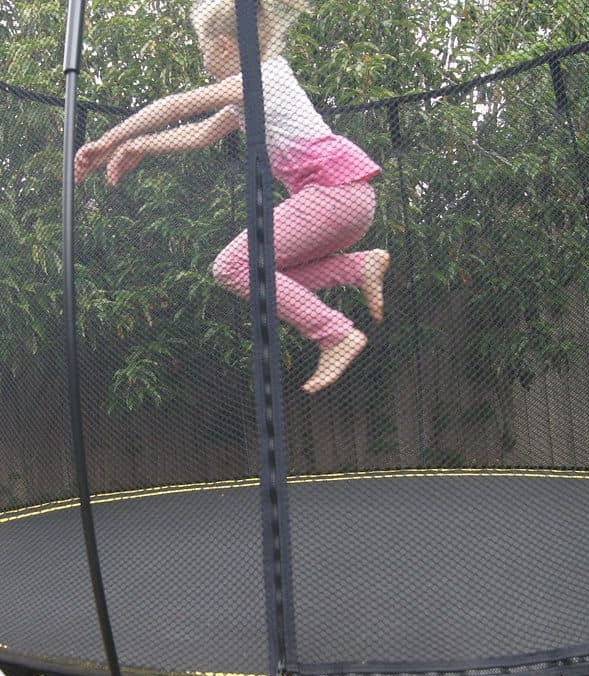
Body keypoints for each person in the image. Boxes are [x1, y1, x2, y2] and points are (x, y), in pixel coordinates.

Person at [75, 0, 389, 393]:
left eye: (204, 51)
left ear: (224, 46)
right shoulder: (254, 91)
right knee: (266, 276)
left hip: (333, 194)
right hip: (347, 200)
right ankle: (358, 269)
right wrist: (139, 145)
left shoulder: (260, 78)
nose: (204, 63)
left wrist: (107, 140)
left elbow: (176, 106)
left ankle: (335, 334)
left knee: (232, 267)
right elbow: (201, 133)